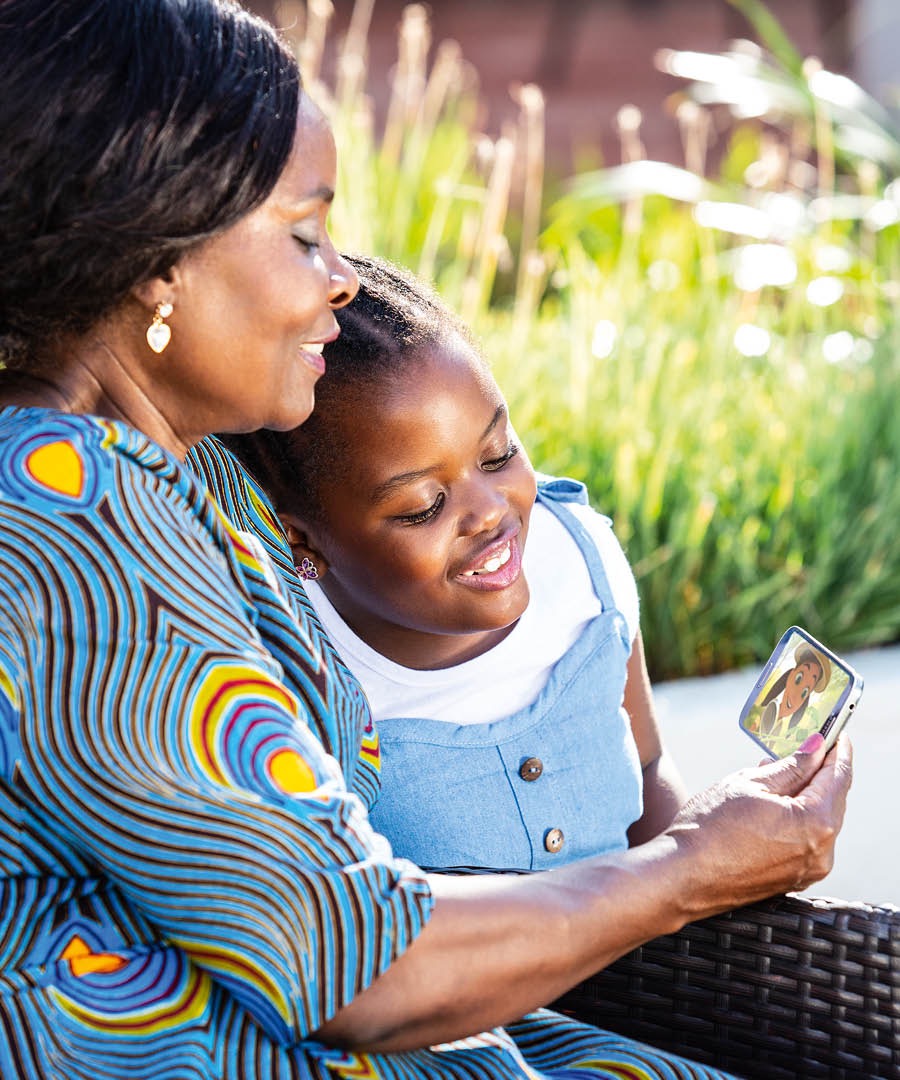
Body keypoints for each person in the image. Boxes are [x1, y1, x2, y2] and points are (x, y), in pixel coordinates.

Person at [0, 1, 851, 1078]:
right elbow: (353, 965)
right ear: (156, 261)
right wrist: (687, 867)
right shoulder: (68, 521)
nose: (342, 278)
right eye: (304, 233)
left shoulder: (182, 464)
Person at [222, 254, 688, 872]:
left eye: (498, 454)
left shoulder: (580, 568)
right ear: (302, 542)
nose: (491, 512)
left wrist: (705, 865)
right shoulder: (298, 669)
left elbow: (650, 767)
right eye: (423, 506)